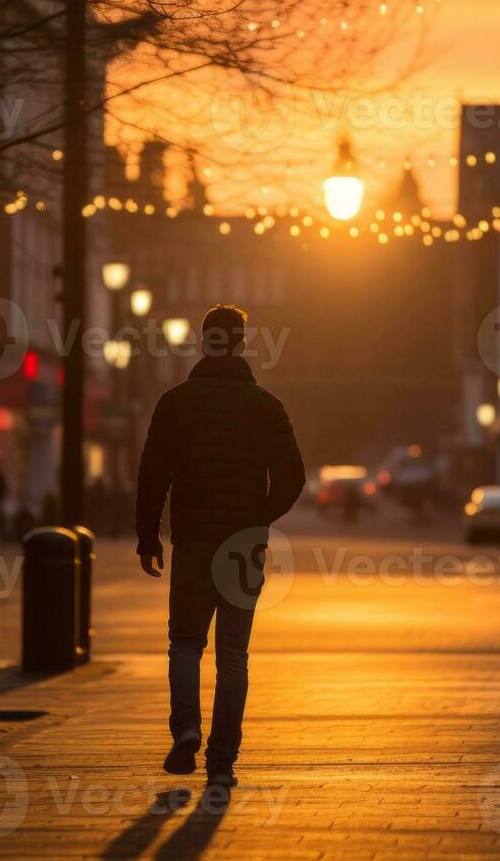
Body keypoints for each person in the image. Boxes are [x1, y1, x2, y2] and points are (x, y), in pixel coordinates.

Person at [135, 304, 305, 790]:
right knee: (233, 655)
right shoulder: (267, 406)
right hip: (242, 548)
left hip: (192, 543)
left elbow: (154, 475)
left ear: (204, 341)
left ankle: (186, 727)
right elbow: (294, 477)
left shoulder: (176, 402)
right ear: (242, 344)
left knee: (186, 643)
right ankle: (223, 759)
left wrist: (149, 535)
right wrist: (258, 517)